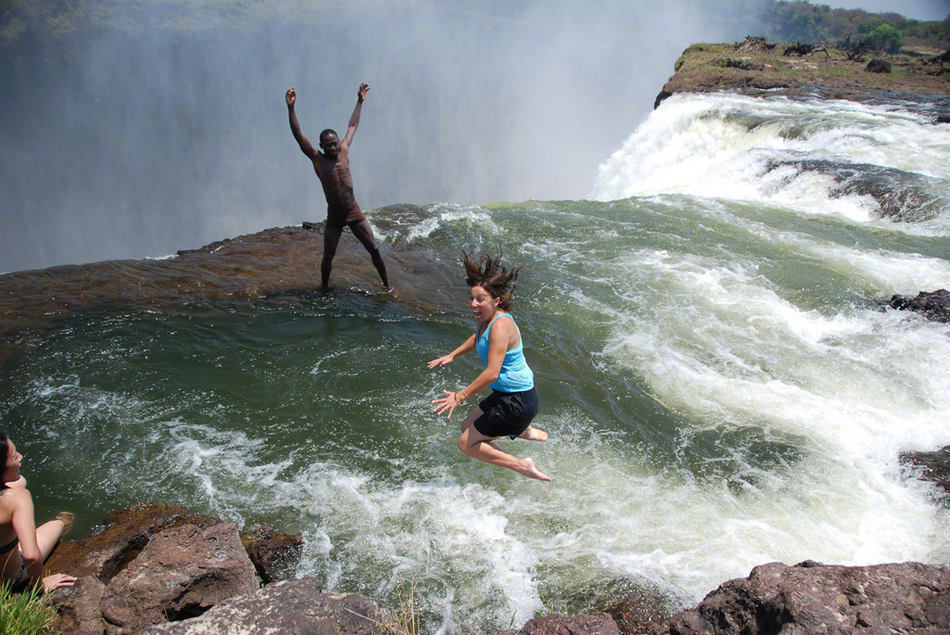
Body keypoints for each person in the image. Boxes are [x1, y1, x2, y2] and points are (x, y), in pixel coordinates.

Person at [429, 253, 551, 481]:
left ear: (497, 301)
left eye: (480, 299)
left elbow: (492, 372)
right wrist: (453, 354)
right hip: (508, 394)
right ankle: (523, 430)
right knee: (466, 426)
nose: (473, 304)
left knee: (466, 443)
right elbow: (478, 338)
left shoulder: (501, 325)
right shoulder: (487, 321)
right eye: (472, 298)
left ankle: (522, 465)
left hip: (518, 401)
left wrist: (460, 396)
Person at [286, 82, 391, 292]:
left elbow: (352, 126)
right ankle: (324, 288)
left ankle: (388, 287)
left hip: (354, 212)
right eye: (329, 144)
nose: (333, 146)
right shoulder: (317, 160)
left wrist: (360, 102)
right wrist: (291, 108)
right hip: (334, 217)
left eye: (335, 142)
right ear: (321, 146)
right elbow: (298, 136)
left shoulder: (344, 151)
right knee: (328, 257)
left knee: (374, 249)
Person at [0, 433, 76, 593]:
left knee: (21, 481)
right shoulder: (18, 498)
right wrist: (40, 585)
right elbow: (31, 556)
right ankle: (63, 523)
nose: (20, 457)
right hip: (8, 581)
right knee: (57, 524)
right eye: (14, 457)